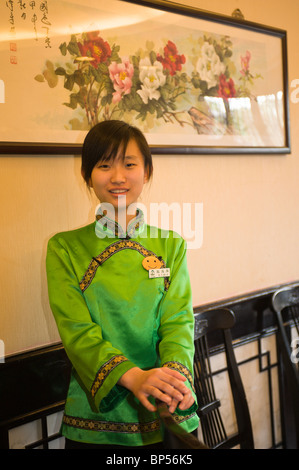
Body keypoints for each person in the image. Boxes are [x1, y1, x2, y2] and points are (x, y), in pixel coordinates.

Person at [46, 120, 199, 449]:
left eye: (129, 164)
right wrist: (135, 377)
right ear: (87, 174)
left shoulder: (171, 244)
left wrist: (171, 377)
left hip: (167, 405)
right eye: (104, 165)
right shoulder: (64, 248)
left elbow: (178, 321)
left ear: (146, 170)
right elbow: (77, 332)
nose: (117, 177)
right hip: (101, 417)